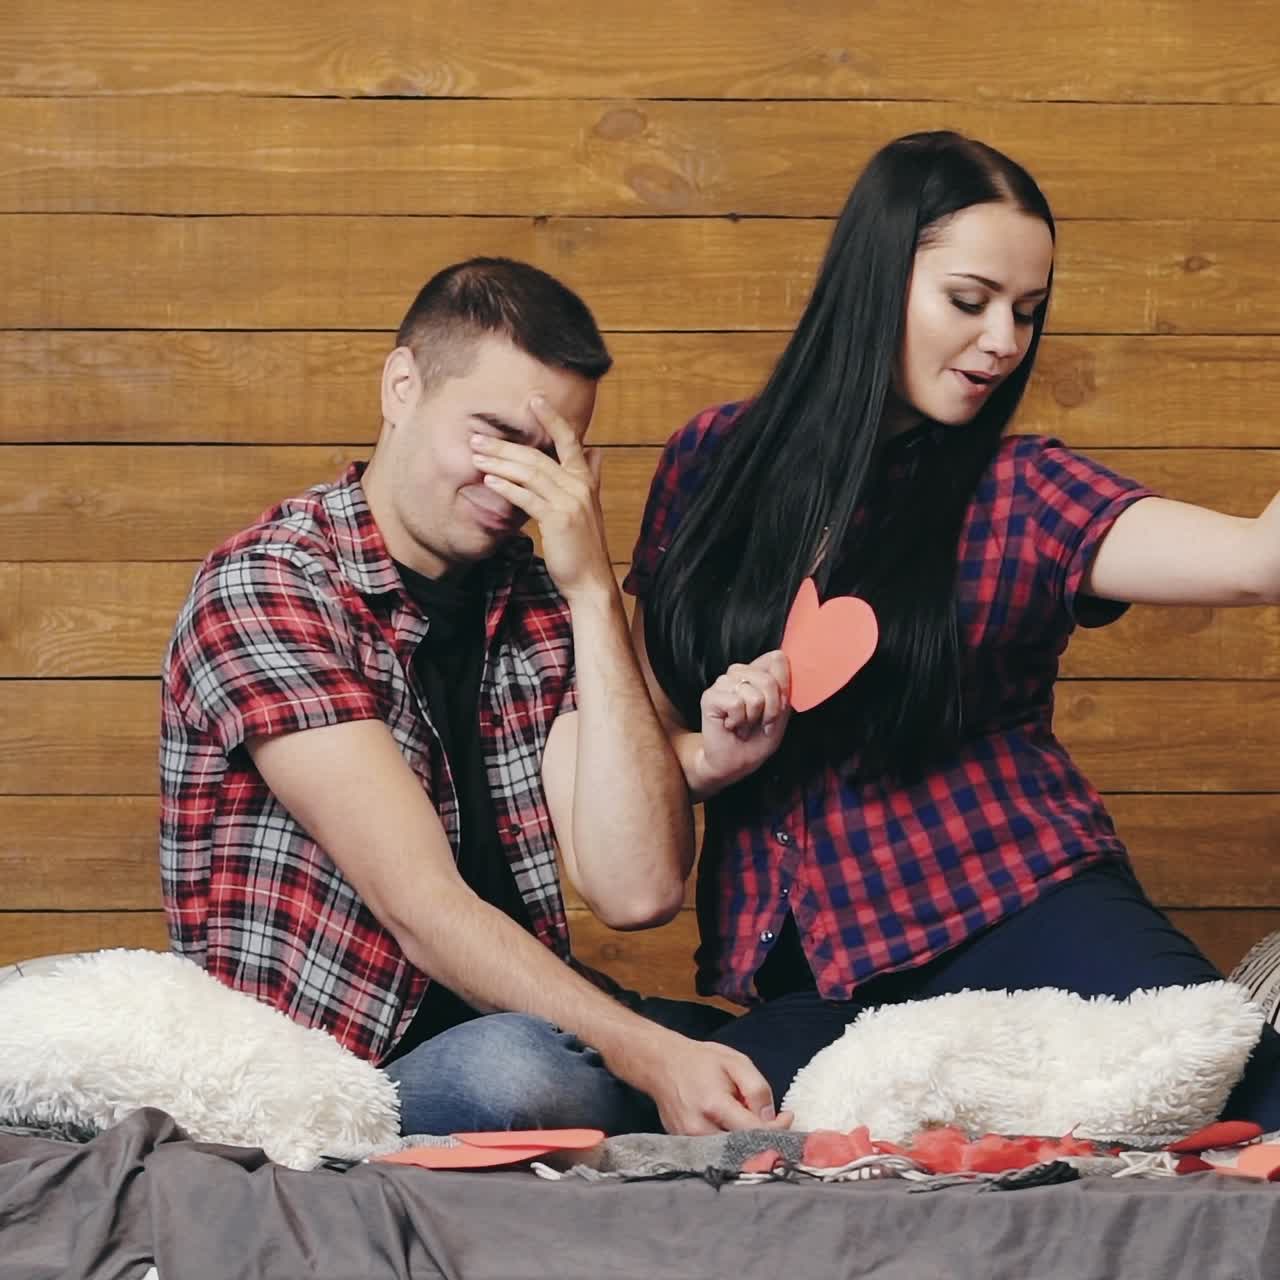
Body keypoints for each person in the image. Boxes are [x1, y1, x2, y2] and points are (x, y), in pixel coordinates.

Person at [625, 132, 1280, 1126]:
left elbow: (1252, 563)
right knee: (705, 1143)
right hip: (821, 980)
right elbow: (639, 743)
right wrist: (708, 753)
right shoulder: (707, 465)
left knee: (1230, 1100)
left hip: (1025, 917)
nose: (1003, 343)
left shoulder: (1020, 488)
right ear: (875, 276)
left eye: (1025, 311)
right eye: (968, 301)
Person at [159, 257, 786, 1137]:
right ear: (402, 385)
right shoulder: (270, 586)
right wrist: (647, 1054)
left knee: (782, 1058)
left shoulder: (533, 600)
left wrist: (592, 591)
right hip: (334, 1071)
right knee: (524, 1077)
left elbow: (636, 888)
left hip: (527, 1026)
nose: (515, 488)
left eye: (549, 457)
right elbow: (421, 909)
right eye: (492, 436)